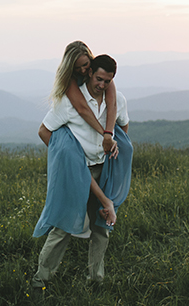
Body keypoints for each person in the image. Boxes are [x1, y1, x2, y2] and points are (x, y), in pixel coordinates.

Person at [31, 54, 131, 287]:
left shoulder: (118, 100)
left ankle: (95, 280)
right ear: (89, 73)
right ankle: (41, 280)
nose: (102, 85)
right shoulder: (69, 102)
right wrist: (65, 158)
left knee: (102, 226)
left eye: (107, 81)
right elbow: (44, 131)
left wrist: (114, 147)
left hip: (102, 169)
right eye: (98, 79)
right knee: (63, 226)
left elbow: (123, 126)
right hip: (76, 172)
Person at [50, 41, 119, 156]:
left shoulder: (102, 73)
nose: (82, 70)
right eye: (77, 67)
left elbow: (112, 104)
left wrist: (109, 133)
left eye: (85, 65)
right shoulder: (69, 80)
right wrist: (104, 134)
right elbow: (82, 108)